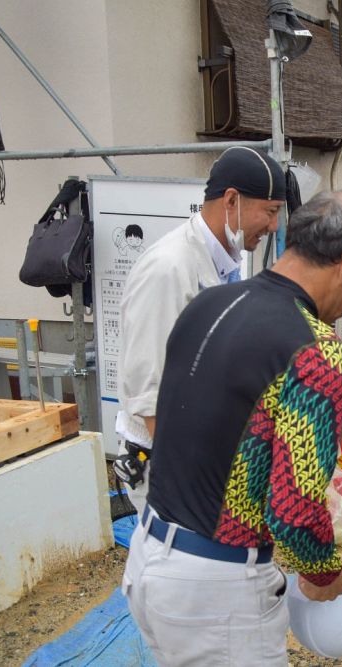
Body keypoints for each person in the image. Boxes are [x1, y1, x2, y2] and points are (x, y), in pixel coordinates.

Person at [122, 190, 342, 666]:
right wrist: (326, 571)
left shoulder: (209, 304)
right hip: (217, 586)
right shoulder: (315, 352)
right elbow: (294, 511)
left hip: (150, 554)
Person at [113, 146, 285, 515]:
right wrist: (190, 477)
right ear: (232, 200)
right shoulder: (169, 268)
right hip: (170, 463)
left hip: (206, 455)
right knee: (177, 566)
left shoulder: (226, 258)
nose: (274, 226)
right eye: (270, 212)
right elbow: (149, 386)